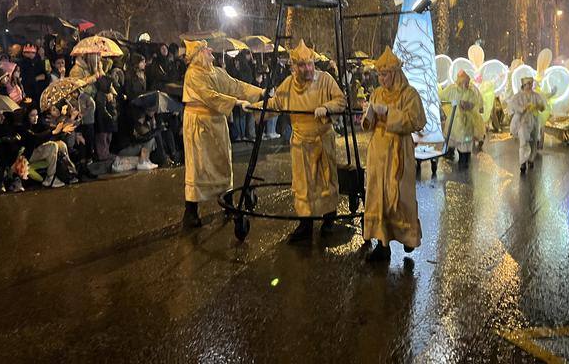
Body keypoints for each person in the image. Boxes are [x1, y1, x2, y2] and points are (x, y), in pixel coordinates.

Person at [259, 40, 346, 241]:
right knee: (303, 183)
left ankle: (328, 220)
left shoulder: (325, 79)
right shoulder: (288, 84)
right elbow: (275, 103)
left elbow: (340, 100)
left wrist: (327, 107)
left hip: (322, 138)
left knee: (326, 180)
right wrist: (255, 108)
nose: (307, 69)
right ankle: (305, 224)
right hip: (300, 141)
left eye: (310, 64)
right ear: (295, 66)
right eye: (302, 65)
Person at [181, 40, 263, 228]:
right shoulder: (193, 74)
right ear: (198, 55)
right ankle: (191, 211)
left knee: (222, 163)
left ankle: (228, 202)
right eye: (205, 48)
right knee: (199, 166)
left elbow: (235, 85)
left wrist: (260, 92)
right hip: (199, 125)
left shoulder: (216, 72)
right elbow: (209, 96)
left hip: (216, 123)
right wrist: (236, 103)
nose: (210, 50)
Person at [361, 46, 426, 262]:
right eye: (379, 74)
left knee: (400, 196)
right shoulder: (377, 93)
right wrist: (368, 115)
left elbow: (417, 121)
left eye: (385, 74)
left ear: (395, 73)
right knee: (379, 195)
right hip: (379, 152)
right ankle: (382, 243)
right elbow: (370, 123)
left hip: (399, 151)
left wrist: (390, 113)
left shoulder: (410, 94)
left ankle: (407, 235)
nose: (381, 79)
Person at [440, 70, 484, 167]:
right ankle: (452, 151)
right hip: (455, 118)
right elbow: (442, 96)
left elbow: (474, 103)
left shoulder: (471, 92)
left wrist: (467, 105)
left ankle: (465, 155)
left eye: (468, 82)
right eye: (465, 82)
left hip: (467, 120)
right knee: (453, 136)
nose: (467, 84)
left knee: (465, 138)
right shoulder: (453, 89)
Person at [508, 76, 547, 173]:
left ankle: (531, 159)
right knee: (524, 140)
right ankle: (522, 162)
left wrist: (538, 106)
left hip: (534, 121)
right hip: (523, 122)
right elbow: (513, 107)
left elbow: (542, 107)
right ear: (523, 85)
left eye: (530, 84)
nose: (529, 86)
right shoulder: (518, 97)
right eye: (527, 84)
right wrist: (523, 108)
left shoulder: (536, 96)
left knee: (533, 141)